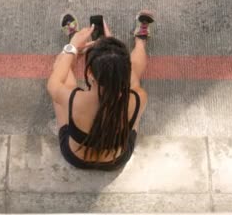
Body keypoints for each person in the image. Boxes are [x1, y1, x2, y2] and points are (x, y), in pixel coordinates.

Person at [46, 10, 154, 171]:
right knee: (135, 84)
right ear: (127, 70)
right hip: (116, 160)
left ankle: (79, 47)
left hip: (76, 157)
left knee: (61, 73)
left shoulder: (73, 100)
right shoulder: (139, 99)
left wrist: (73, 46)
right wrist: (114, 56)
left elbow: (55, 79)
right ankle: (140, 39)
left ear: (89, 73)